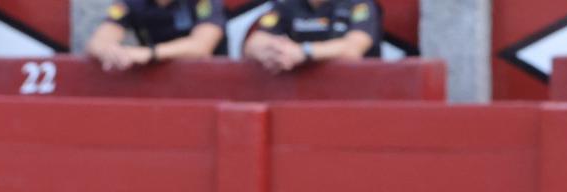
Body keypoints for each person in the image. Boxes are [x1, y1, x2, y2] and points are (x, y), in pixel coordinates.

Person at [243, 0, 383, 74]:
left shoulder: (359, 4)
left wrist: (303, 51)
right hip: (298, 93)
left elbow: (354, 48)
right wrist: (276, 52)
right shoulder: (288, 5)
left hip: (353, 95)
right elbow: (253, 44)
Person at [86, 0, 224, 73]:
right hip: (153, 79)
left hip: (204, 82)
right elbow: (98, 41)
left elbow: (201, 46)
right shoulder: (132, 2)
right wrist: (111, 51)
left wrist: (150, 53)